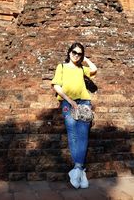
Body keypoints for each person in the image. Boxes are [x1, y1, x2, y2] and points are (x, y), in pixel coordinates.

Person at [51, 42, 97, 189]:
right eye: (74, 52)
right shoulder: (62, 67)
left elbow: (95, 69)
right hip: (67, 103)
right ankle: (81, 171)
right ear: (69, 52)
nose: (76, 55)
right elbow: (56, 86)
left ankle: (77, 169)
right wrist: (70, 100)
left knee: (83, 134)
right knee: (73, 133)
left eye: (79, 54)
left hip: (84, 103)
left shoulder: (82, 69)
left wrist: (87, 59)